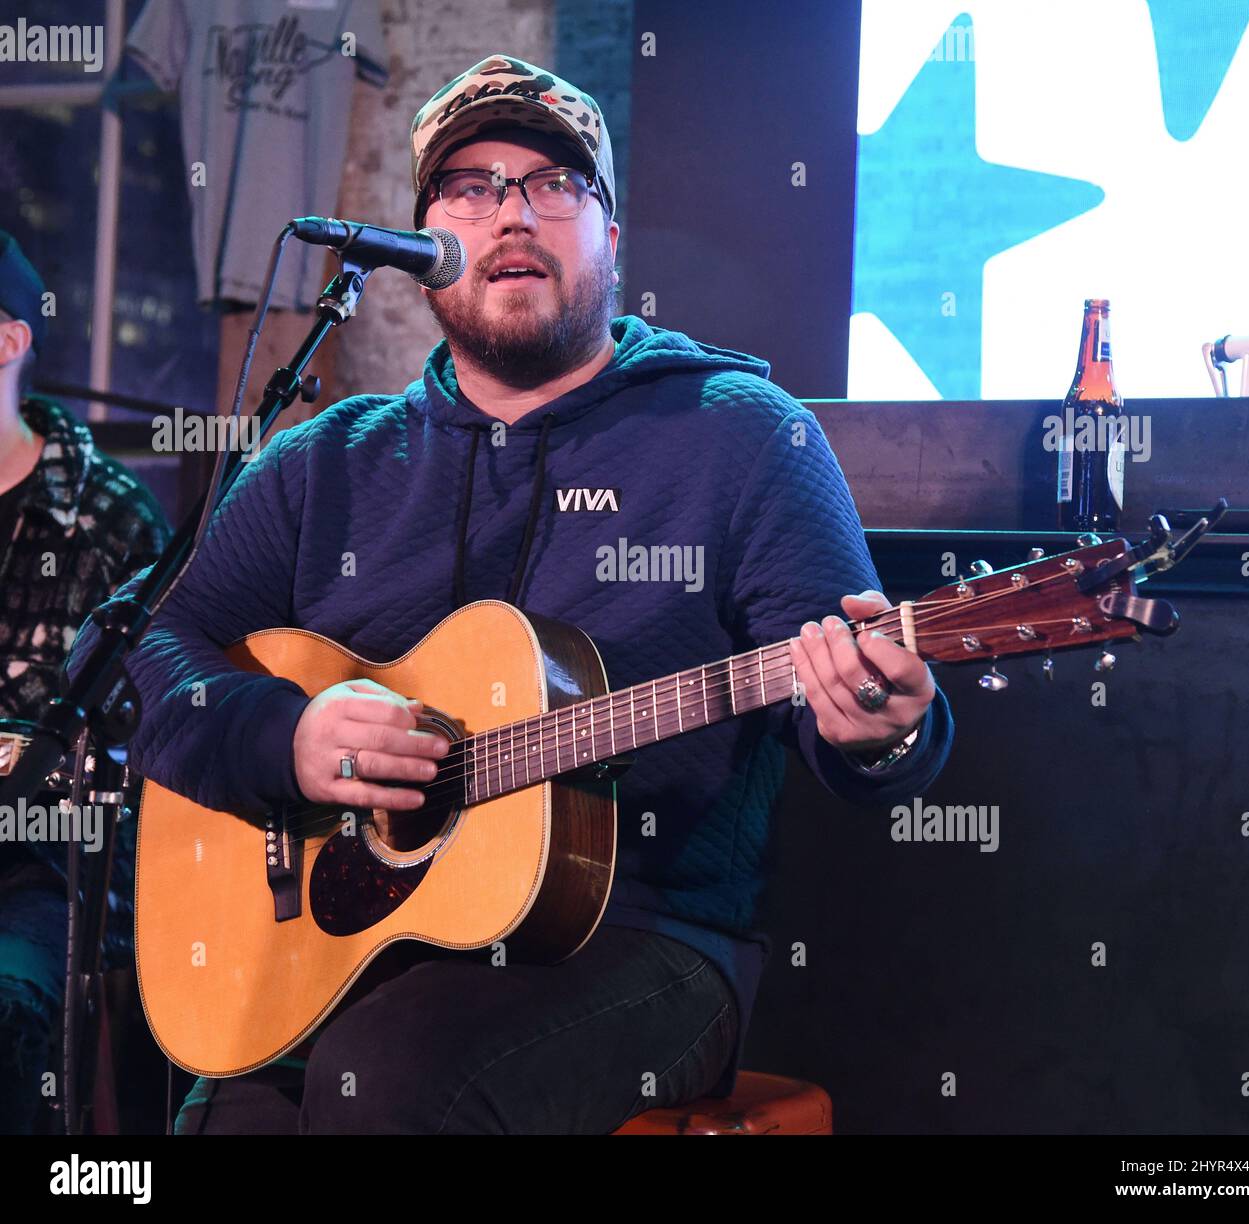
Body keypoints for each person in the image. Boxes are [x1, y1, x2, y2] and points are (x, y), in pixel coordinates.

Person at [69, 54, 955, 1135]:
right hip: (336, 942)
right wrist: (285, 739)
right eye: (472, 188)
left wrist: (882, 729)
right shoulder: (327, 460)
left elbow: (851, 720)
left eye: (553, 185)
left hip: (645, 938)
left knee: (390, 1079)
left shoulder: (742, 435)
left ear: (611, 238)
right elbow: (147, 654)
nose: (512, 215)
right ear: (423, 244)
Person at [0, 229, 169, 1133]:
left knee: (9, 1011)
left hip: (47, 868)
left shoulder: (107, 518)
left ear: (9, 341)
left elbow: (154, 733)